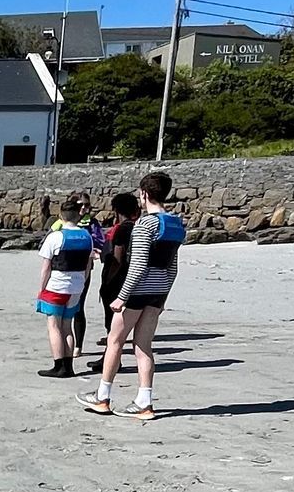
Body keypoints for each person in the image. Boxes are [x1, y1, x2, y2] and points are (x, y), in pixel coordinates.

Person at [85, 170, 184, 420]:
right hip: (158, 292)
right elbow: (173, 268)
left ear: (144, 194)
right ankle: (144, 402)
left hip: (137, 293)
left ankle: (102, 397)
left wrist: (122, 296)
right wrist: (163, 297)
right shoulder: (174, 224)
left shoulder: (144, 225)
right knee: (144, 346)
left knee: (115, 341)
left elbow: (138, 266)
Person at [34, 195, 95, 377]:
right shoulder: (86, 236)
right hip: (76, 286)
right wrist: (82, 282)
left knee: (54, 326)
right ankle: (69, 366)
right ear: (78, 215)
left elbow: (46, 267)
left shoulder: (55, 237)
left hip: (56, 285)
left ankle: (58, 365)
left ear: (61, 216)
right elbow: (88, 265)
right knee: (67, 325)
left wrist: (41, 289)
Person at [96, 189, 140, 357]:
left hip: (117, 281)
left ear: (116, 210)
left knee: (112, 322)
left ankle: (110, 358)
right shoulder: (137, 228)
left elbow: (117, 258)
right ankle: (110, 356)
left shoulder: (122, 229)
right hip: (133, 280)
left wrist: (106, 284)